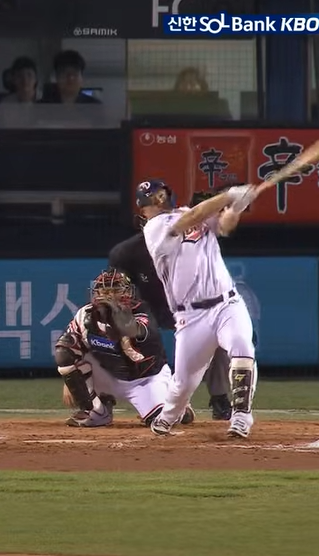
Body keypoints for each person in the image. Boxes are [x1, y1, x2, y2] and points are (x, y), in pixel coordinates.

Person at [136, 179, 271, 438]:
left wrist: (235, 208)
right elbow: (193, 217)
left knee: (242, 347)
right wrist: (229, 196)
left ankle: (241, 417)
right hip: (191, 316)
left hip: (227, 303)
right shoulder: (154, 228)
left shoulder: (188, 212)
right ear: (143, 207)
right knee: (183, 383)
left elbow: (224, 226)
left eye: (161, 193)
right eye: (152, 197)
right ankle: (169, 415)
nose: (159, 198)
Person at [108, 226, 232, 422]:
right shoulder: (127, 251)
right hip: (142, 309)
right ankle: (109, 401)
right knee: (114, 333)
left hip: (185, 307)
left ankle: (220, 398)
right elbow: (116, 290)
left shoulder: (192, 246)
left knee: (216, 332)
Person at [55, 267, 194, 427]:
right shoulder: (85, 314)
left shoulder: (140, 310)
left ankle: (179, 406)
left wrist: (119, 319)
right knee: (65, 349)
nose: (109, 296)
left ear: (127, 292)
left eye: (115, 290)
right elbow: (70, 348)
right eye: (104, 291)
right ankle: (96, 411)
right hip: (109, 373)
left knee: (161, 421)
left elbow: (137, 330)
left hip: (144, 379)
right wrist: (71, 380)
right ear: (96, 293)